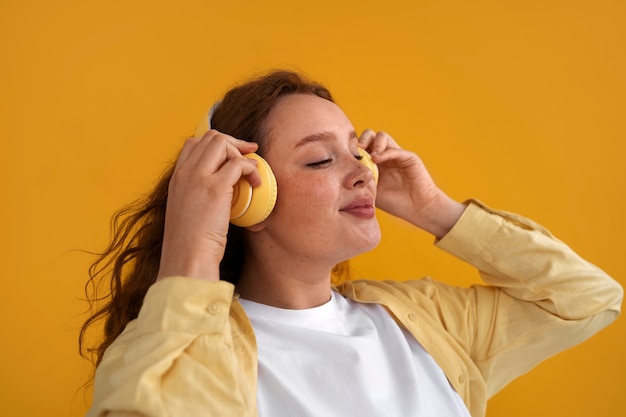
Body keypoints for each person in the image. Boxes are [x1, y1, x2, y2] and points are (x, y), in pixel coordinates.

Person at [80, 70, 622, 417]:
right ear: (248, 197)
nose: (364, 172)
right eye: (320, 158)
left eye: (356, 151)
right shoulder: (197, 351)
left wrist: (434, 208)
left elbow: (589, 299)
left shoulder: (423, 321)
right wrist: (191, 248)